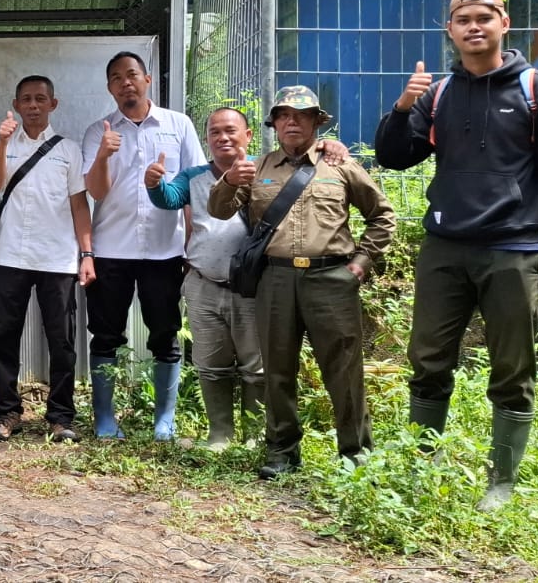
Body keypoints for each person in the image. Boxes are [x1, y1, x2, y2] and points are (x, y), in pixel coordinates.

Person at [373, 0, 538, 511]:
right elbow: (396, 158)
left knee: (512, 368)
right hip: (445, 247)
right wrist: (402, 107)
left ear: (503, 23)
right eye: (462, 18)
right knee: (428, 360)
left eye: (484, 17)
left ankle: (501, 482)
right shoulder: (439, 94)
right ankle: (420, 469)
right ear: (450, 30)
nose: (473, 26)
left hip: (513, 249)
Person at [208, 86, 397, 480]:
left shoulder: (340, 165)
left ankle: (355, 454)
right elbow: (220, 210)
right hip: (275, 279)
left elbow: (383, 216)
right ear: (274, 123)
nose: (291, 122)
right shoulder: (257, 169)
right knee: (276, 369)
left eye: (301, 115)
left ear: (316, 121)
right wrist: (228, 180)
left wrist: (360, 264)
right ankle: (282, 452)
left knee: (343, 370)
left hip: (331, 278)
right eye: (283, 116)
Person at [80, 52, 204, 440]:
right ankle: (104, 420)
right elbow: (95, 192)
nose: (125, 83)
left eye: (132, 75)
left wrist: (191, 243)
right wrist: (103, 155)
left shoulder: (178, 125)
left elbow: (194, 188)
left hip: (163, 251)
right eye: (116, 78)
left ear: (147, 79)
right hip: (111, 250)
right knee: (104, 335)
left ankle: (164, 421)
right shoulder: (96, 131)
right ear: (109, 88)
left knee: (165, 334)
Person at [145, 107, 265, 451]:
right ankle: (220, 436)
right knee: (211, 364)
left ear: (248, 135)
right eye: (214, 132)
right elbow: (169, 199)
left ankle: (255, 438)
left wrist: (333, 148)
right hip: (203, 283)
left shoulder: (264, 170)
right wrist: (154, 184)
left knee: (255, 366)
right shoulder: (194, 176)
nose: (222, 138)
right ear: (207, 139)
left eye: (230, 130)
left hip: (251, 287)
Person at [0, 76, 95, 444]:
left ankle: (61, 416)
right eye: (26, 100)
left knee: (61, 340)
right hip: (11, 254)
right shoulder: (4, 144)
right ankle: (6, 411)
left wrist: (87, 253)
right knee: (4, 336)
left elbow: (80, 204)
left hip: (58, 258)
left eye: (40, 99)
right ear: (16, 105)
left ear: (53, 104)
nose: (33, 105)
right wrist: (1, 142)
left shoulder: (69, 150)